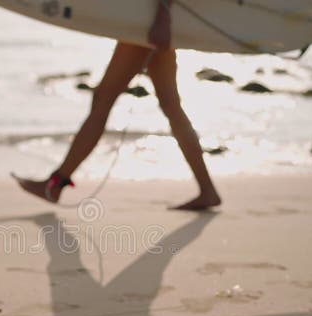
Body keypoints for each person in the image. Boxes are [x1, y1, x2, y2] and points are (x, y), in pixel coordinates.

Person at [13, 0, 221, 211]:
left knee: (103, 100)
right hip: (150, 18)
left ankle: (56, 185)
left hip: (146, 21)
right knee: (171, 107)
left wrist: (163, 15)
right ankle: (207, 190)